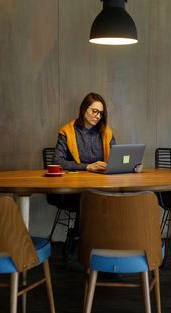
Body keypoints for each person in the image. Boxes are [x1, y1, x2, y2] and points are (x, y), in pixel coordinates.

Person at [52, 92, 116, 262]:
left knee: (114, 198)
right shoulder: (67, 131)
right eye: (94, 111)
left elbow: (116, 157)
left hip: (101, 186)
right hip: (73, 189)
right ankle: (89, 243)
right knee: (90, 198)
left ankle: (79, 236)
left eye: (100, 113)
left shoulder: (106, 132)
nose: (97, 116)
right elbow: (57, 161)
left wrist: (130, 166)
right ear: (83, 110)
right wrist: (87, 166)